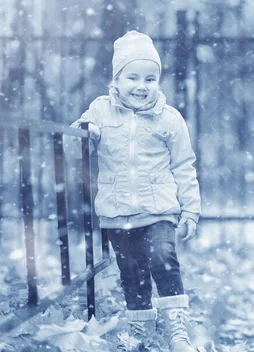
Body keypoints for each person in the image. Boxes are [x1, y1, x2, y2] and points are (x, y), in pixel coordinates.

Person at [64, 30, 201, 352]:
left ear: (158, 82)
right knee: (132, 272)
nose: (142, 86)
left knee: (163, 257)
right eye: (133, 77)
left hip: (159, 209)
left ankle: (177, 331)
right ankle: (140, 332)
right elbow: (72, 148)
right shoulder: (99, 111)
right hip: (117, 210)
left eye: (150, 79)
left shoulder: (169, 119)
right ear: (117, 79)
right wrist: (86, 133)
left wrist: (191, 209)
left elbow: (184, 165)